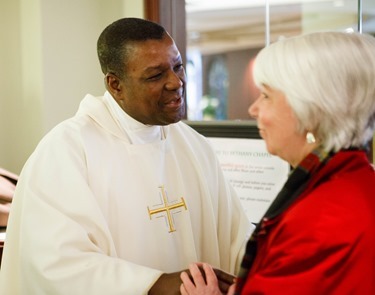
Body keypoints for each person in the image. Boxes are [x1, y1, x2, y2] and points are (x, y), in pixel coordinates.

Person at [0, 18, 252, 294]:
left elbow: (236, 238)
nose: (175, 82)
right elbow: (55, 264)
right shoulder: (66, 152)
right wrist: (158, 285)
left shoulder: (194, 146)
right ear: (115, 85)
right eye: (155, 75)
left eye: (178, 66)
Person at [180, 31, 375, 294]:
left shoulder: (319, 218)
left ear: (310, 109)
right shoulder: (353, 180)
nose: (253, 109)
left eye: (266, 96)